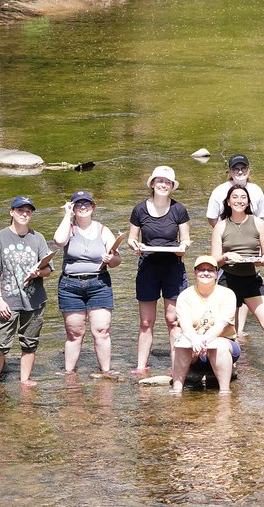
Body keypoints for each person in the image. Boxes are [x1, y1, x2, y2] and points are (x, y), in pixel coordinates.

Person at [0, 196, 53, 390]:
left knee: (30, 342)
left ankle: (24, 380)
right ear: (12, 212)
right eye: (20, 210)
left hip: (34, 299)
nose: (24, 214)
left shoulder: (37, 238)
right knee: (0, 343)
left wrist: (39, 272)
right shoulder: (0, 238)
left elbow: (48, 269)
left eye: (28, 211)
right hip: (8, 300)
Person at [210, 183, 264, 375]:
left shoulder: (258, 223)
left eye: (243, 197)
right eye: (235, 197)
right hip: (228, 280)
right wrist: (227, 257)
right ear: (228, 201)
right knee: (228, 329)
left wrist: (261, 261)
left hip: (252, 279)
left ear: (248, 202)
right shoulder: (220, 226)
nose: (239, 201)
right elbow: (214, 260)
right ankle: (229, 367)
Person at [128, 165, 191, 374]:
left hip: (173, 266)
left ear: (172, 186)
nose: (163, 185)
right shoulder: (139, 209)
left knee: (173, 320)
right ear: (152, 184)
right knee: (146, 322)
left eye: (167, 182)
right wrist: (134, 246)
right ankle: (141, 366)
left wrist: (183, 248)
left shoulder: (179, 210)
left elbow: (185, 240)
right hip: (148, 267)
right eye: (160, 181)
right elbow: (131, 239)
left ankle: (176, 367)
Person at [53, 190, 121, 374]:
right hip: (70, 285)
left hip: (99, 283)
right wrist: (67, 215)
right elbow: (59, 241)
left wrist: (110, 259)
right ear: (73, 207)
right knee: (75, 334)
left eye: (86, 204)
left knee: (101, 330)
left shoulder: (103, 229)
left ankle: (105, 372)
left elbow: (116, 261)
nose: (82, 207)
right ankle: (69, 374)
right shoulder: (70, 227)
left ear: (93, 207)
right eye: (78, 204)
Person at [206, 153, 264, 336]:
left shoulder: (256, 190)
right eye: (236, 168)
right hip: (227, 241)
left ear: (249, 170)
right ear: (230, 171)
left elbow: (262, 218)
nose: (240, 171)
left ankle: (240, 329)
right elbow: (211, 217)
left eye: (243, 168)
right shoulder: (219, 191)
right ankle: (230, 330)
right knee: (229, 284)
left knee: (248, 279)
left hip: (250, 243)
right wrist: (225, 233)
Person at [170, 255, 239, 395]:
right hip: (195, 348)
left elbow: (222, 324)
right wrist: (194, 339)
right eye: (201, 269)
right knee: (180, 339)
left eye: (210, 270)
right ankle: (177, 389)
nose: (206, 273)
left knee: (220, 344)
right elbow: (184, 324)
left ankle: (224, 391)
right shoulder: (185, 295)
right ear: (195, 273)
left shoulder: (227, 294)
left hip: (223, 345)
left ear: (216, 273)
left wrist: (202, 340)